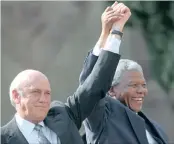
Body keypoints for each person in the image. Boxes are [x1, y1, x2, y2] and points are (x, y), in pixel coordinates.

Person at [1, 2, 124, 144]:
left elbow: (93, 87)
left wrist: (112, 33)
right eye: (35, 92)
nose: (44, 99)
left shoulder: (62, 116)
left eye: (47, 93)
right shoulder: (3, 138)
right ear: (16, 96)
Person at [79, 2, 169, 144]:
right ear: (111, 90)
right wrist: (109, 34)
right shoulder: (102, 121)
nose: (141, 91)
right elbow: (89, 87)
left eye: (143, 85)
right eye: (133, 85)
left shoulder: (156, 129)